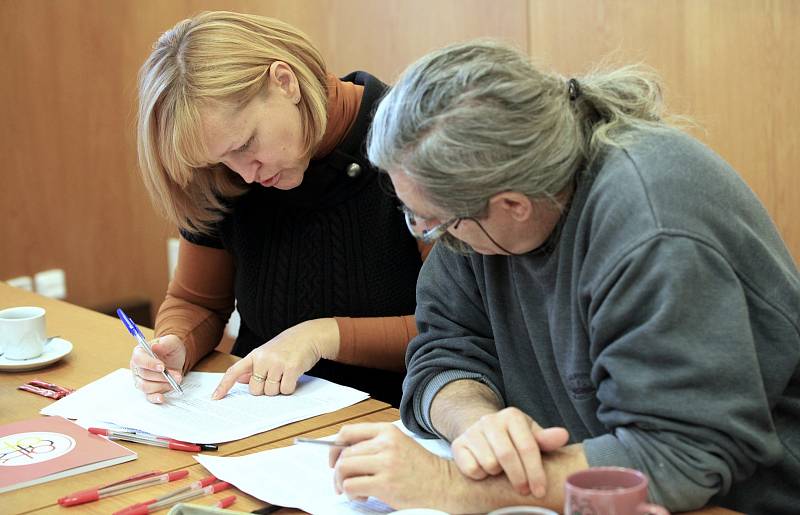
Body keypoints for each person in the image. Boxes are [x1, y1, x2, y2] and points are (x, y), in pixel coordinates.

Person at [329, 40, 800, 514]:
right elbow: (444, 347)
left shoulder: (652, 225)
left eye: (433, 220)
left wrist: (452, 485)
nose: (430, 233)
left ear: (513, 205)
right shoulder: (479, 206)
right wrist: (477, 424)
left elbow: (679, 455)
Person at [129, 11, 430, 407]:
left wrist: (322, 336)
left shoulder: (415, 143)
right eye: (218, 161)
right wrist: (175, 342)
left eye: (244, 144)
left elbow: (457, 327)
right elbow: (197, 302)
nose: (244, 174)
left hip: (390, 421)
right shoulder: (229, 173)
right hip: (257, 415)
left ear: (284, 82)